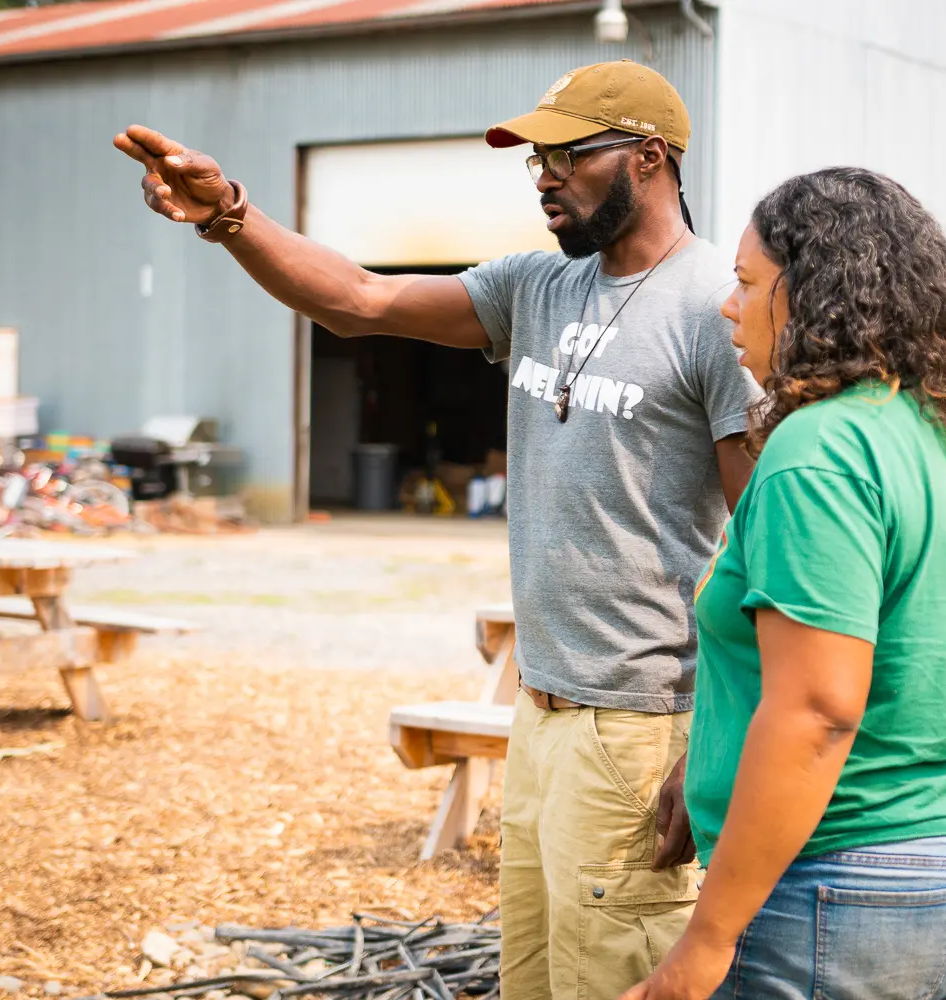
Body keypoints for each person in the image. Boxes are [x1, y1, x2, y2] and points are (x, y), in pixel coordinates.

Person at [114, 60, 761, 1000]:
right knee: (535, 983)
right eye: (535, 158)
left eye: (568, 155)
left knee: (618, 980)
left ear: (650, 156)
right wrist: (230, 217)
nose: (543, 175)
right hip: (541, 715)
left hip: (643, 726)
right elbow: (360, 300)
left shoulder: (716, 308)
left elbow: (764, 547)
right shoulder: (536, 288)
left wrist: (713, 744)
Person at [621, 167, 946, 1000]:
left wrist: (704, 942)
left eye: (746, 284)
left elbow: (816, 715)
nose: (728, 307)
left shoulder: (819, 451)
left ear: (813, 295)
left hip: (847, 896)